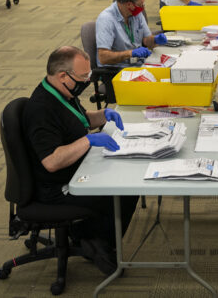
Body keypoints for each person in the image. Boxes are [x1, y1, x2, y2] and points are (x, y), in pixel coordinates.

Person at [22, 46, 139, 275]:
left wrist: (104, 115)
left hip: (76, 168)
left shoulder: (63, 92)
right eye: (83, 77)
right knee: (123, 190)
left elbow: (78, 120)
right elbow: (51, 161)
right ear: (62, 75)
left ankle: (91, 236)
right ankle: (95, 242)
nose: (87, 81)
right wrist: (88, 141)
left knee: (127, 180)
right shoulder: (41, 109)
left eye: (89, 76)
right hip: (57, 187)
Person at [96, 0, 167, 69]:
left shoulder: (135, 14)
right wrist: (130, 53)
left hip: (137, 64)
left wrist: (155, 40)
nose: (142, 8)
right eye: (141, 4)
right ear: (129, 4)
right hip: (117, 70)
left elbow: (146, 40)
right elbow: (103, 57)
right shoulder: (106, 19)